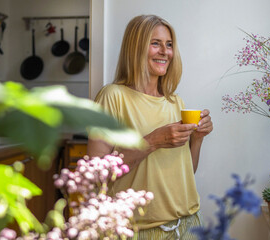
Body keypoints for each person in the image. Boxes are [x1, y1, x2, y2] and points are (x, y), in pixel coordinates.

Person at [87, 15, 213, 239]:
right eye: (155, 43)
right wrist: (153, 140)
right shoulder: (112, 97)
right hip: (136, 231)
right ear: (135, 48)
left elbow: (186, 172)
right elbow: (98, 175)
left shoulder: (175, 102)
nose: (165, 51)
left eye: (169, 44)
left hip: (187, 226)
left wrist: (198, 138)